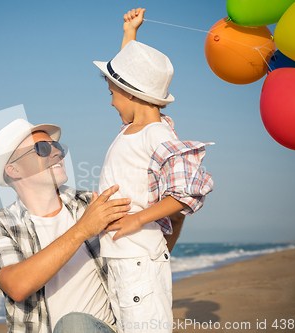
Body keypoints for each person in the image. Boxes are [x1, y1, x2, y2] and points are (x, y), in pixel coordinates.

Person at [92, 8, 214, 333]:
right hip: (123, 258)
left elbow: (188, 190)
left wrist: (137, 218)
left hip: (138, 261)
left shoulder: (157, 133)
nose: (112, 102)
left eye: (112, 95)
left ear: (131, 94)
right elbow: (129, 74)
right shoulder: (132, 128)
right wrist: (130, 33)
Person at [0, 118, 132, 333]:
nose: (57, 153)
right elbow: (17, 286)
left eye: (56, 146)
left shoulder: (91, 204)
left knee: (74, 326)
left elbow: (140, 252)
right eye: (42, 149)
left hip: (104, 328)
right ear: (14, 170)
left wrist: (175, 213)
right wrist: (83, 230)